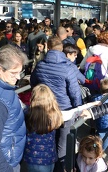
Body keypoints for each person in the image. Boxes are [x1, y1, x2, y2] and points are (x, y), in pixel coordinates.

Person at [30, 36, 82, 171]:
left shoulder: (40, 65)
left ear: (48, 47)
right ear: (62, 50)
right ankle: (61, 168)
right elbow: (75, 93)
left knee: (48, 140)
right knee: (63, 144)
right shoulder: (68, 67)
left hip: (45, 109)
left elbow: (33, 83)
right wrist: (77, 110)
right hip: (65, 110)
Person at [23, 84, 98, 172]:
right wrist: (92, 104)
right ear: (51, 100)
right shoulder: (55, 115)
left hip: (32, 159)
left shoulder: (27, 114)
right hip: (49, 159)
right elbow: (75, 112)